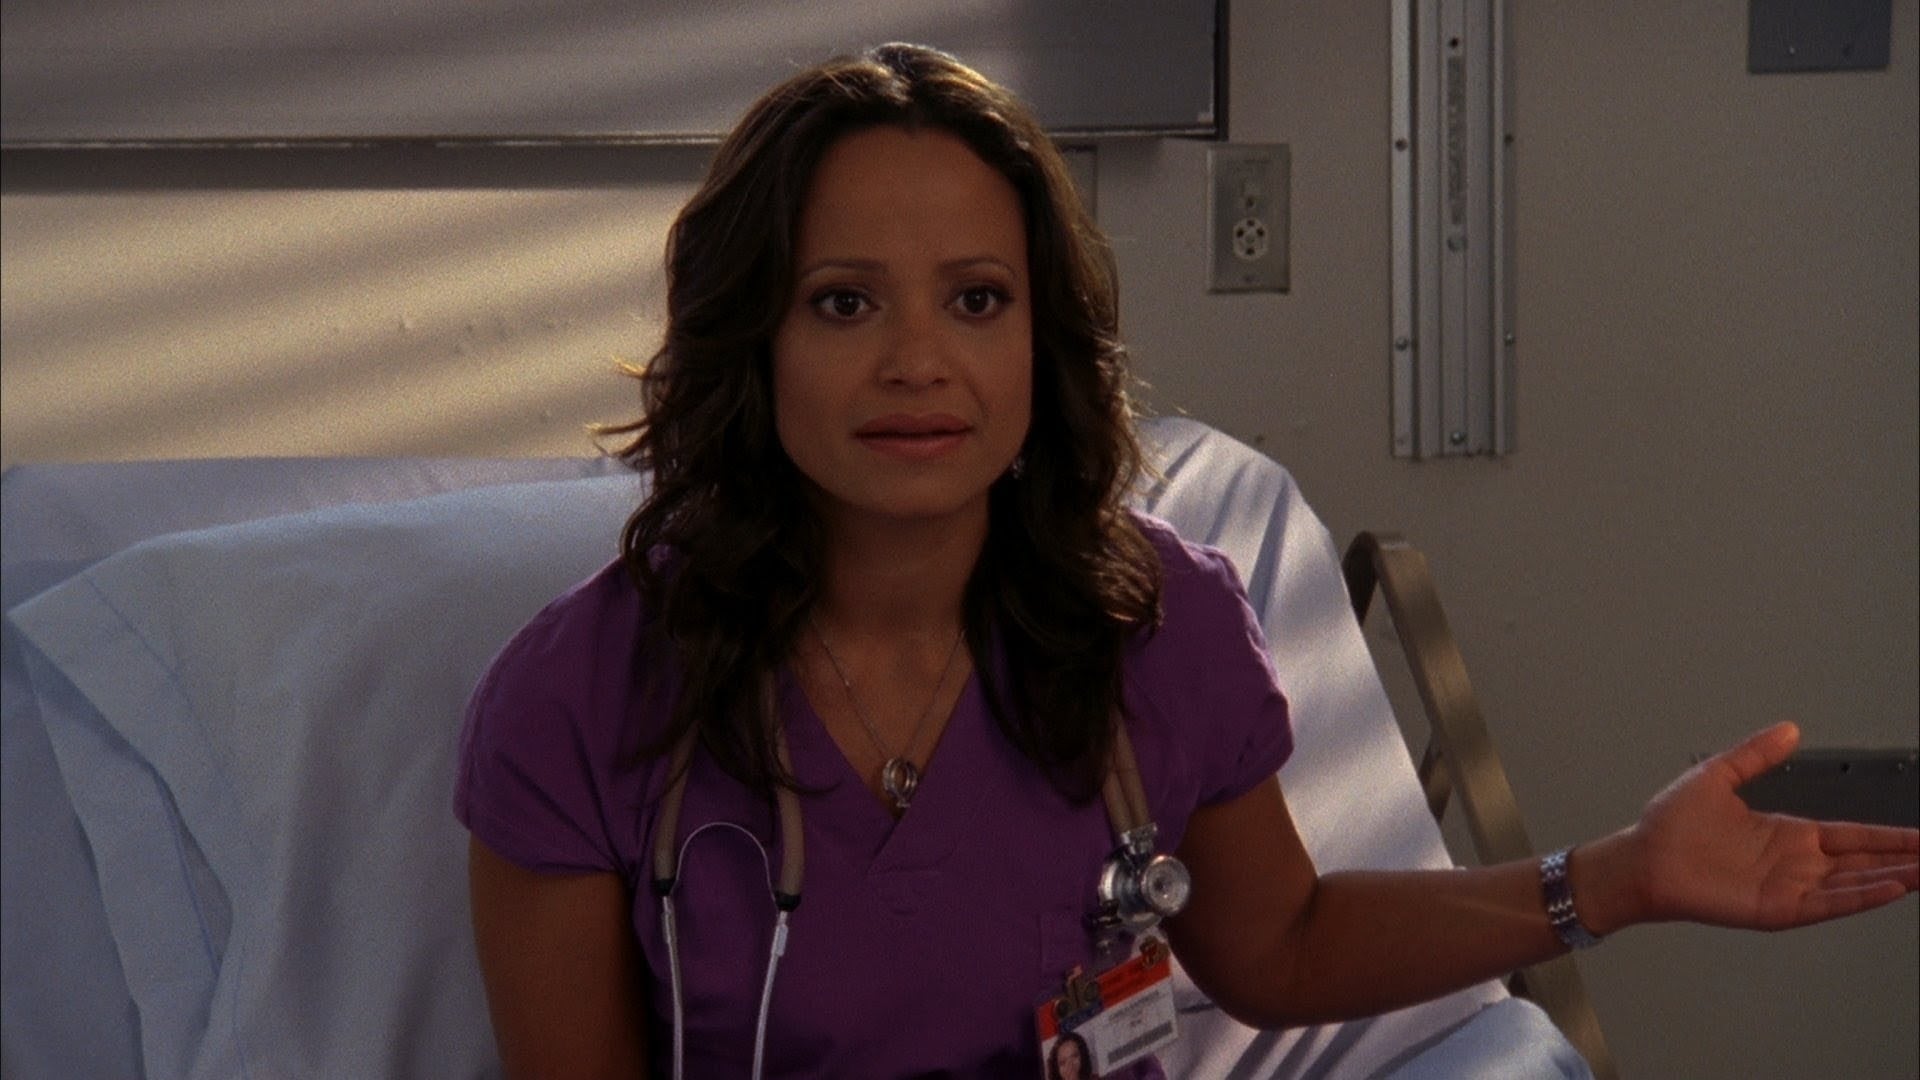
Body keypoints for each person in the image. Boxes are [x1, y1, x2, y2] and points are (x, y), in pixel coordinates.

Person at [456, 42, 1920, 1079]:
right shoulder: (588, 697)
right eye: (843, 302)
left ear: (1043, 344)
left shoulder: (1145, 630)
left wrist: (1616, 880)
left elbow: (1279, 946)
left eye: (977, 299)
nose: (917, 362)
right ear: (750, 342)